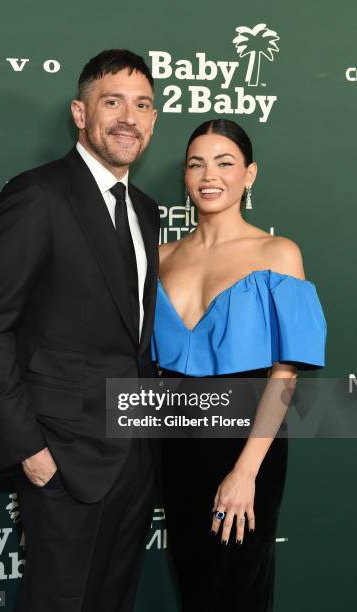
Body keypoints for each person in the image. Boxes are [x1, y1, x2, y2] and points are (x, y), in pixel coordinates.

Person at [0, 49, 159, 612]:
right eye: (112, 101)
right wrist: (29, 452)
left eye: (142, 104)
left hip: (134, 458)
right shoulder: (37, 195)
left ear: (153, 120)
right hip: (63, 459)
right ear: (80, 113)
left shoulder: (144, 208)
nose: (129, 117)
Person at [151, 119, 326, 611]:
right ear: (185, 176)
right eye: (196, 163)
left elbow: (285, 375)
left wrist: (246, 470)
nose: (210, 175)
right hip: (175, 443)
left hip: (246, 442)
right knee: (194, 585)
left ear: (249, 175)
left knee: (238, 588)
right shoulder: (159, 257)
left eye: (225, 163)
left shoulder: (277, 253)